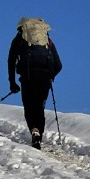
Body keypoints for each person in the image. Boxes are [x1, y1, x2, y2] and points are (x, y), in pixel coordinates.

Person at [7, 17, 62, 149]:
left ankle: (34, 130)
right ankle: (38, 135)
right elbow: (59, 65)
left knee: (29, 107)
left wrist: (12, 83)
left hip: (27, 78)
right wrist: (50, 76)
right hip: (44, 79)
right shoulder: (47, 41)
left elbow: (11, 60)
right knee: (39, 108)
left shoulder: (19, 39)